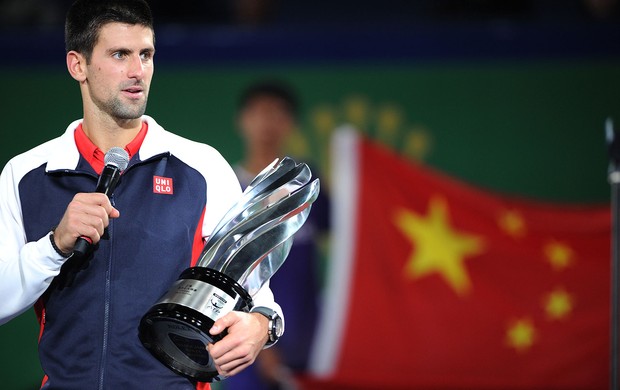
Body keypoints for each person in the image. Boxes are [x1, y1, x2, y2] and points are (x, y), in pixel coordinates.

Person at [0, 1, 283, 388]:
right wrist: (55, 245)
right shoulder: (25, 174)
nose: (137, 72)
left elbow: (254, 290)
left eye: (145, 55)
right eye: (120, 55)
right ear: (77, 65)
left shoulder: (201, 167)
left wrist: (262, 325)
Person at [225, 81, 330, 390]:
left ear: (291, 123)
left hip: (309, 341)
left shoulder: (310, 187)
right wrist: (257, 339)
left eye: (277, 114)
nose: (267, 122)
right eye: (259, 113)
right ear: (241, 120)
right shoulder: (227, 188)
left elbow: (356, 242)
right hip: (244, 343)